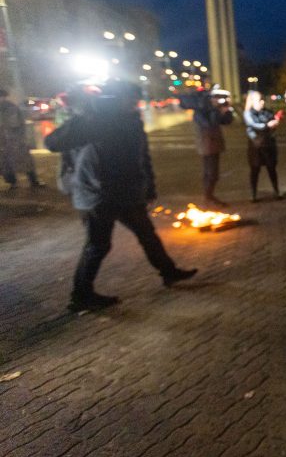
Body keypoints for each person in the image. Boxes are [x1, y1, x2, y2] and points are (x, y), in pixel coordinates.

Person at [45, 80, 197, 312]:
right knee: (98, 245)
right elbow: (53, 142)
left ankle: (169, 272)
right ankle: (81, 295)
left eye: (136, 101)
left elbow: (142, 156)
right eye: (130, 100)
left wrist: (149, 187)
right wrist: (84, 115)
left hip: (127, 192)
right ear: (116, 99)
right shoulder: (95, 121)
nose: (134, 105)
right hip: (97, 195)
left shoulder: (132, 121)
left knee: (147, 234)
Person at [180, 85, 234, 206]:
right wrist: (216, 109)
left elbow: (226, 121)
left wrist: (227, 109)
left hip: (213, 144)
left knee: (210, 173)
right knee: (211, 173)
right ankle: (208, 197)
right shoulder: (200, 112)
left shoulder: (210, 110)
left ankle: (208, 196)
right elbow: (210, 124)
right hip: (207, 145)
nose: (215, 100)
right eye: (213, 98)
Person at [0, 88, 44, 190]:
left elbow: (14, 124)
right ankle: (12, 182)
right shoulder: (9, 107)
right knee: (5, 163)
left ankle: (33, 180)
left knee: (24, 160)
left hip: (14, 140)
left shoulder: (10, 108)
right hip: (4, 142)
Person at [243, 90, 282, 202]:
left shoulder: (267, 112)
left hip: (268, 144)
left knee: (272, 169)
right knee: (255, 170)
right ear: (252, 101)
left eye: (262, 99)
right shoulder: (248, 113)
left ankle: (276, 191)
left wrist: (275, 122)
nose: (262, 102)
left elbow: (272, 123)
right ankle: (253, 194)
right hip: (256, 146)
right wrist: (267, 125)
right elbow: (254, 125)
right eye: (259, 100)